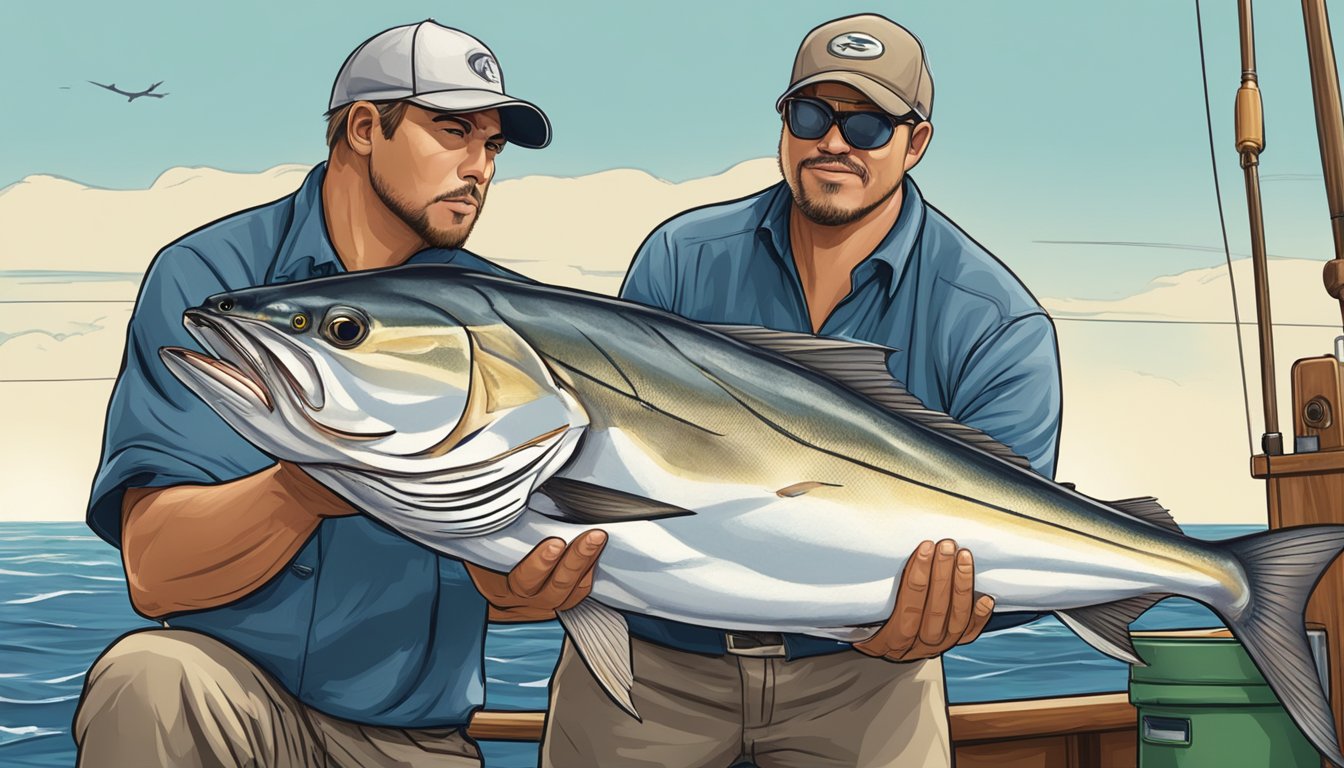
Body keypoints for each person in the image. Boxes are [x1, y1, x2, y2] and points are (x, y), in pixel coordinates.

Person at [73, 20, 606, 768]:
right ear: (363, 127)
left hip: (413, 736)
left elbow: (513, 590)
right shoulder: (214, 282)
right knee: (149, 679)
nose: (478, 167)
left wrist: (529, 580)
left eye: (492, 147)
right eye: (452, 132)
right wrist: (317, 479)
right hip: (228, 703)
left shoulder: (511, 319)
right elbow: (156, 575)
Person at [541, 13, 1062, 768]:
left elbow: (1015, 538)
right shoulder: (678, 260)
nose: (835, 142)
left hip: (869, 679)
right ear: (784, 124)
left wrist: (940, 615)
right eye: (812, 114)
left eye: (870, 125)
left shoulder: (995, 318)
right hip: (652, 664)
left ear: (917, 142)